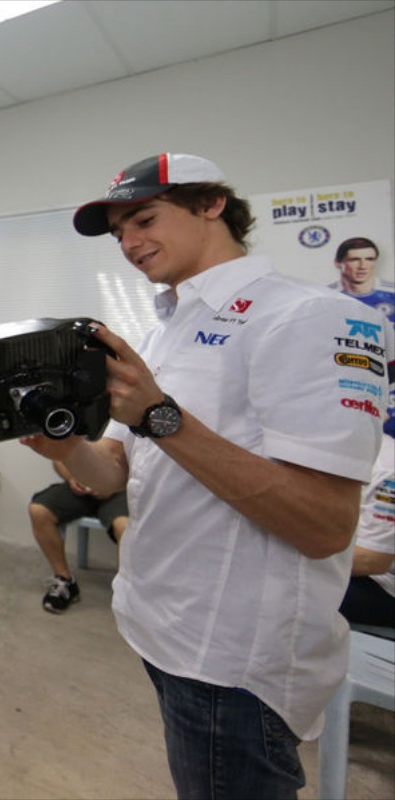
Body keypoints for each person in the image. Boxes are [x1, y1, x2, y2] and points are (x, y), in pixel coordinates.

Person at [24, 152, 385, 798]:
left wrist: (160, 416)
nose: (129, 244)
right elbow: (110, 474)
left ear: (212, 203)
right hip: (161, 629)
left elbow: (325, 525)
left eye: (144, 220)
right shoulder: (162, 333)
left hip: (232, 662)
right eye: (119, 234)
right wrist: (65, 446)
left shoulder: (312, 316)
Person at [28, 460, 129, 613]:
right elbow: (59, 458)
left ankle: (127, 593)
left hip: (121, 491)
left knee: (125, 527)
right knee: (38, 511)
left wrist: (114, 485)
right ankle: (65, 580)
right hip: (82, 488)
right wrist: (72, 478)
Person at [328, 236, 395, 438]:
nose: (363, 266)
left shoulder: (391, 293)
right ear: (339, 263)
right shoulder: (324, 298)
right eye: (355, 259)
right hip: (349, 389)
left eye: (369, 259)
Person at [339, 431, 394, 627]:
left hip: (380, 585)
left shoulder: (387, 467)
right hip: (355, 568)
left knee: (292, 592)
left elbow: (373, 560)